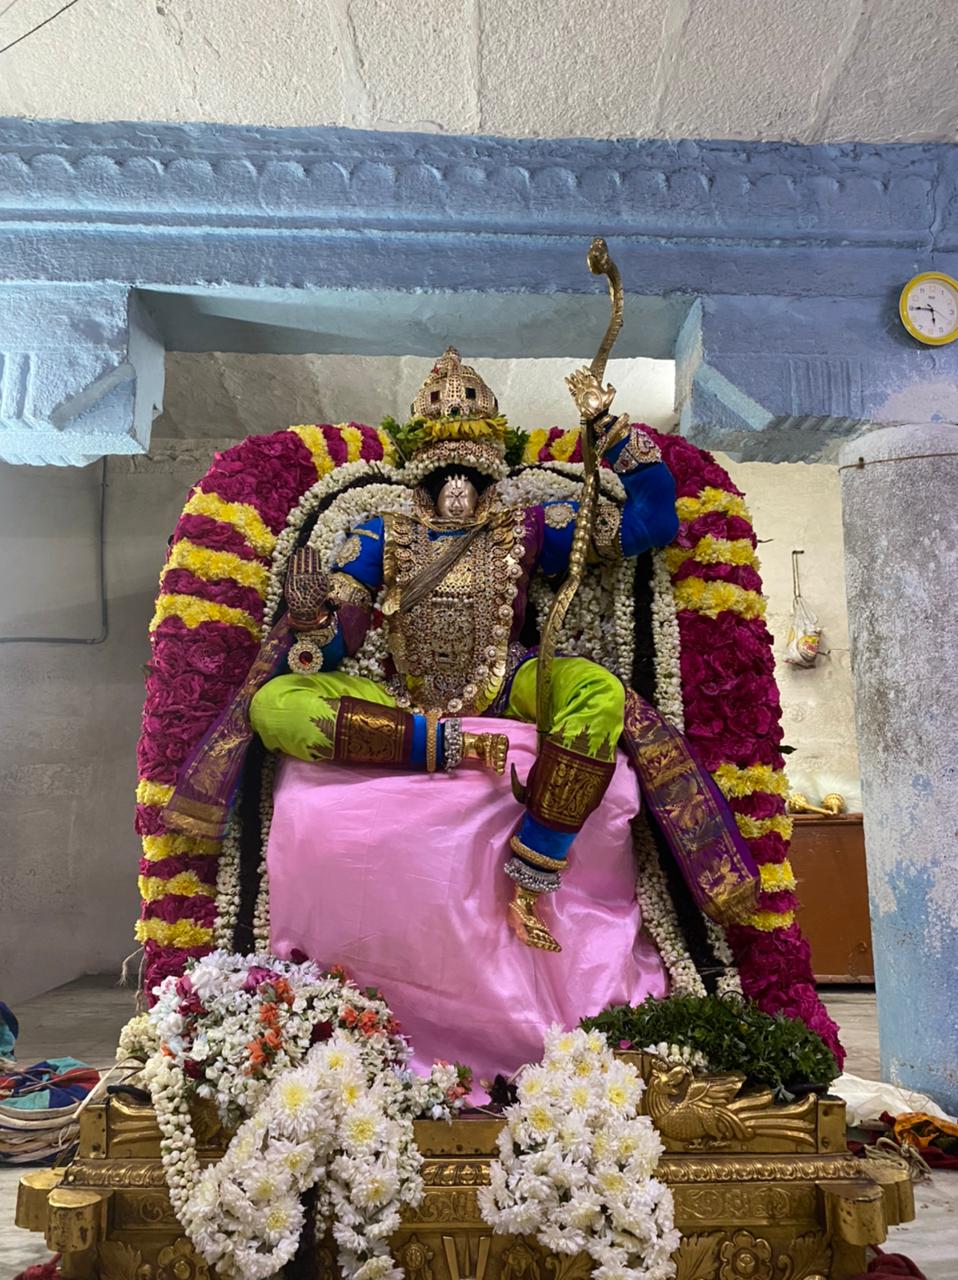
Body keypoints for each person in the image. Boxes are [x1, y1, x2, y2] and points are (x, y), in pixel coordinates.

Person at [248, 348, 679, 952]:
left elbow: (653, 522)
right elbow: (336, 647)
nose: (457, 491)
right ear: (425, 484)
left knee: (598, 692)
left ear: (486, 482)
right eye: (444, 479)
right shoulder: (383, 535)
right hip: (405, 698)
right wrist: (312, 619)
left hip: (506, 684)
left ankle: (535, 863)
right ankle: (446, 746)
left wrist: (606, 429)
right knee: (274, 704)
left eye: (468, 479)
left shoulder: (524, 528)